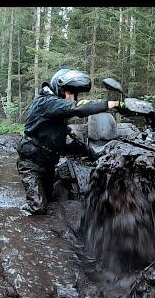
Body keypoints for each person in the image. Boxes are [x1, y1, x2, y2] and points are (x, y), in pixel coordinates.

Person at [16, 68, 120, 215]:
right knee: (38, 207)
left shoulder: (57, 112)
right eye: (69, 93)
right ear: (60, 89)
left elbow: (66, 137)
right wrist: (113, 104)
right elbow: (77, 108)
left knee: (51, 199)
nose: (72, 97)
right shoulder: (46, 102)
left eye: (74, 94)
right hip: (31, 164)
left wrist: (93, 154)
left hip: (48, 163)